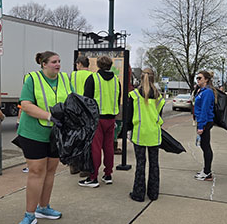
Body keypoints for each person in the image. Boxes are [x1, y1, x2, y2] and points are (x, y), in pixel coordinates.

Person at [16, 51, 71, 224]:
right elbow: (26, 105)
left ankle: (44, 207)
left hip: (55, 134)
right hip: (33, 132)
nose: (58, 64)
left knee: (50, 170)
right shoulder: (32, 79)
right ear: (43, 64)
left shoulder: (64, 79)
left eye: (59, 61)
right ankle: (29, 214)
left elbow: (71, 101)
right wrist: (50, 116)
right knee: (37, 171)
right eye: (54, 62)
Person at [79, 56, 121, 188]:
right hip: (111, 117)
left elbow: (87, 99)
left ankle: (93, 177)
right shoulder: (116, 81)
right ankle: (108, 174)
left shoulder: (93, 79)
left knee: (95, 148)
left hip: (96, 118)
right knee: (108, 147)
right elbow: (118, 98)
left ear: (97, 65)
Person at [126, 68, 165, 202]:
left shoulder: (134, 95)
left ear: (141, 78)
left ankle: (138, 193)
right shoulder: (159, 96)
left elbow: (129, 117)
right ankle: (153, 193)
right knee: (154, 164)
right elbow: (160, 116)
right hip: (154, 133)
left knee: (140, 164)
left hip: (139, 133)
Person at [69, 55, 93, 175]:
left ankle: (74, 165)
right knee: (86, 139)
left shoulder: (73, 75)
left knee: (74, 138)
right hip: (86, 110)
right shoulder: (92, 76)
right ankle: (85, 167)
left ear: (79, 64)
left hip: (74, 109)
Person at [193, 71, 215, 181]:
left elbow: (204, 110)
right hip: (202, 121)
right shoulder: (201, 91)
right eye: (197, 78)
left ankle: (207, 172)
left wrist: (201, 126)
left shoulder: (207, 92)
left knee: (206, 146)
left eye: (200, 78)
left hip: (205, 121)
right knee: (204, 145)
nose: (198, 80)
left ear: (206, 79)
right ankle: (206, 170)